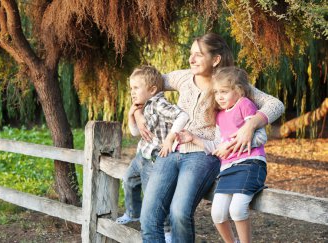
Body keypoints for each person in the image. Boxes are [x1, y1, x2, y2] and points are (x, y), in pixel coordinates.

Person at [136, 33, 285, 242]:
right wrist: (135, 112)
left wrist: (250, 126)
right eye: (190, 54)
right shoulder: (183, 77)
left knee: (179, 212)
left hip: (202, 155)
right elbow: (145, 84)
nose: (191, 59)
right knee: (149, 215)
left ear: (215, 59)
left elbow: (275, 104)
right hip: (170, 150)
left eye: (198, 55)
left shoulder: (228, 83)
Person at [177, 66, 268, 243]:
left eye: (224, 92)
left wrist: (232, 146)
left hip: (250, 164)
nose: (219, 96)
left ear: (239, 90)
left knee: (237, 210)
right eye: (217, 92)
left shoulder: (245, 105)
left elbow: (260, 137)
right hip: (227, 169)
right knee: (217, 214)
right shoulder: (219, 116)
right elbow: (219, 145)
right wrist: (193, 138)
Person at [116, 65, 189, 241]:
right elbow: (135, 133)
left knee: (154, 199)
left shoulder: (159, 104)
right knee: (129, 180)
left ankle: (167, 231)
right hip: (141, 155)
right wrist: (131, 114)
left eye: (136, 88)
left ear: (152, 89)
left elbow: (183, 116)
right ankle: (133, 212)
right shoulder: (143, 105)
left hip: (155, 160)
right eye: (131, 88)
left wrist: (170, 138)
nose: (132, 92)